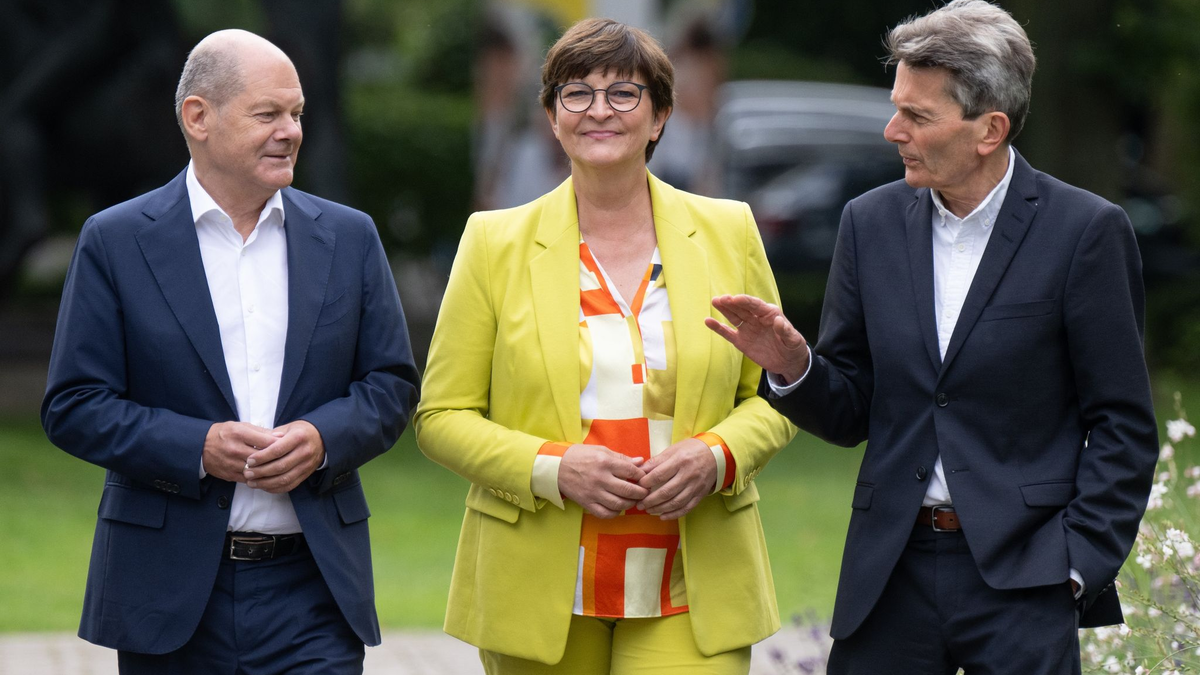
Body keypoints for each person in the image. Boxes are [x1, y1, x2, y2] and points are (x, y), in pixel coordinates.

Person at [707, 2, 1159, 673]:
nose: (893, 130)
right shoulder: (869, 223)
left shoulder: (1085, 232)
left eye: (917, 116)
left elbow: (1123, 425)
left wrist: (1072, 567)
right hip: (890, 574)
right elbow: (853, 408)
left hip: (1025, 579)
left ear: (989, 130)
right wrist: (795, 365)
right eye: (897, 107)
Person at [416, 18, 795, 675]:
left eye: (624, 93)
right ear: (551, 116)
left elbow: (780, 391)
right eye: (576, 92)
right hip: (541, 587)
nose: (598, 109)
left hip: (691, 581)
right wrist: (552, 468)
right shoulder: (493, 243)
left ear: (660, 117)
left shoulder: (729, 231)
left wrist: (718, 455)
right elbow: (440, 418)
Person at [41, 29, 419, 674]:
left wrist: (323, 439)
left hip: (315, 593)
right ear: (198, 117)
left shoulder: (350, 238)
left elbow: (390, 384)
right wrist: (199, 447)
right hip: (170, 595)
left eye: (297, 114)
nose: (291, 131)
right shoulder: (116, 240)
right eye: (268, 114)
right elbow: (75, 405)